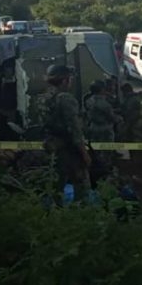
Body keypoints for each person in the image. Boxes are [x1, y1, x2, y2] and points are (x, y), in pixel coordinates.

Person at [35, 64, 92, 199]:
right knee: (82, 186)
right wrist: (84, 154)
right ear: (64, 80)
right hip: (69, 149)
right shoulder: (66, 99)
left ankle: (55, 214)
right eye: (69, 78)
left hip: (52, 147)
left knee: (56, 185)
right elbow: (75, 129)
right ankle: (81, 214)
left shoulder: (43, 98)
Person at [85, 80, 121, 178]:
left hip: (92, 127)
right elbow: (111, 117)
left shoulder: (89, 100)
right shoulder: (104, 103)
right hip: (104, 129)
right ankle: (105, 172)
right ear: (101, 89)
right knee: (106, 151)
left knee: (94, 150)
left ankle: (94, 169)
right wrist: (119, 119)